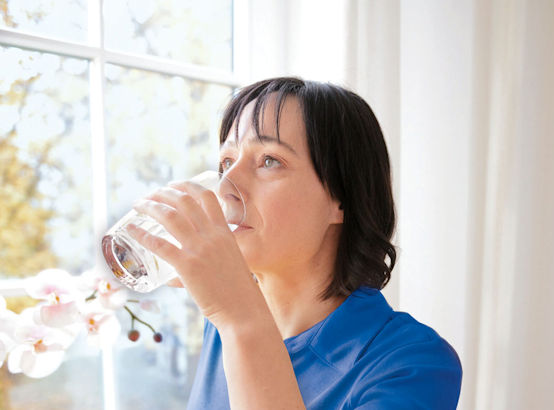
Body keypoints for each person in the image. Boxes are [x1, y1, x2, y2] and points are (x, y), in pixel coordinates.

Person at [127, 77, 462, 409]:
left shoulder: (414, 364)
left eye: (270, 161)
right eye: (227, 162)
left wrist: (240, 320)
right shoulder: (220, 328)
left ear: (341, 199)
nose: (226, 187)